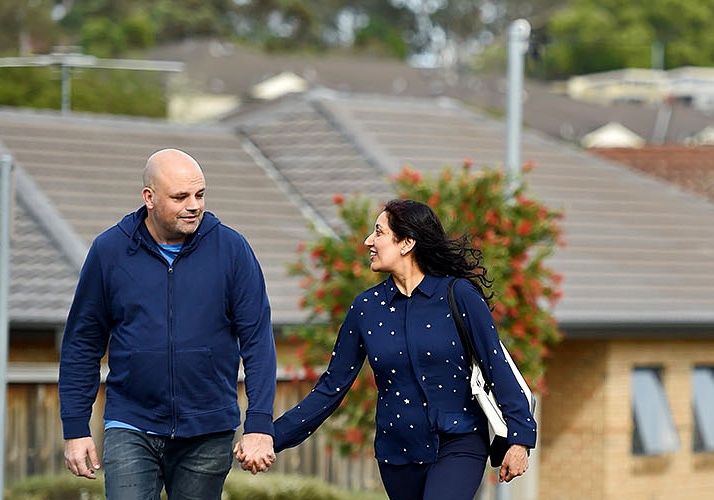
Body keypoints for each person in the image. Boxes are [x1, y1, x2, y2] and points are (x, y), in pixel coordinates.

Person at [266, 200, 534, 500]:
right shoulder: (365, 308)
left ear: (406, 243)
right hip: (397, 455)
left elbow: (497, 367)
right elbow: (331, 388)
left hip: (459, 442)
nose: (368, 241)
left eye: (378, 233)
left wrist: (519, 439)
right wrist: (269, 438)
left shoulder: (459, 295)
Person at [58, 149, 279, 499]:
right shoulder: (110, 251)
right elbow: (82, 344)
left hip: (208, 430)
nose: (194, 205)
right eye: (181, 197)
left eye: (200, 195)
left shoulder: (232, 250)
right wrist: (75, 427)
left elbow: (258, 343)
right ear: (149, 197)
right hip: (131, 424)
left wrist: (259, 424)